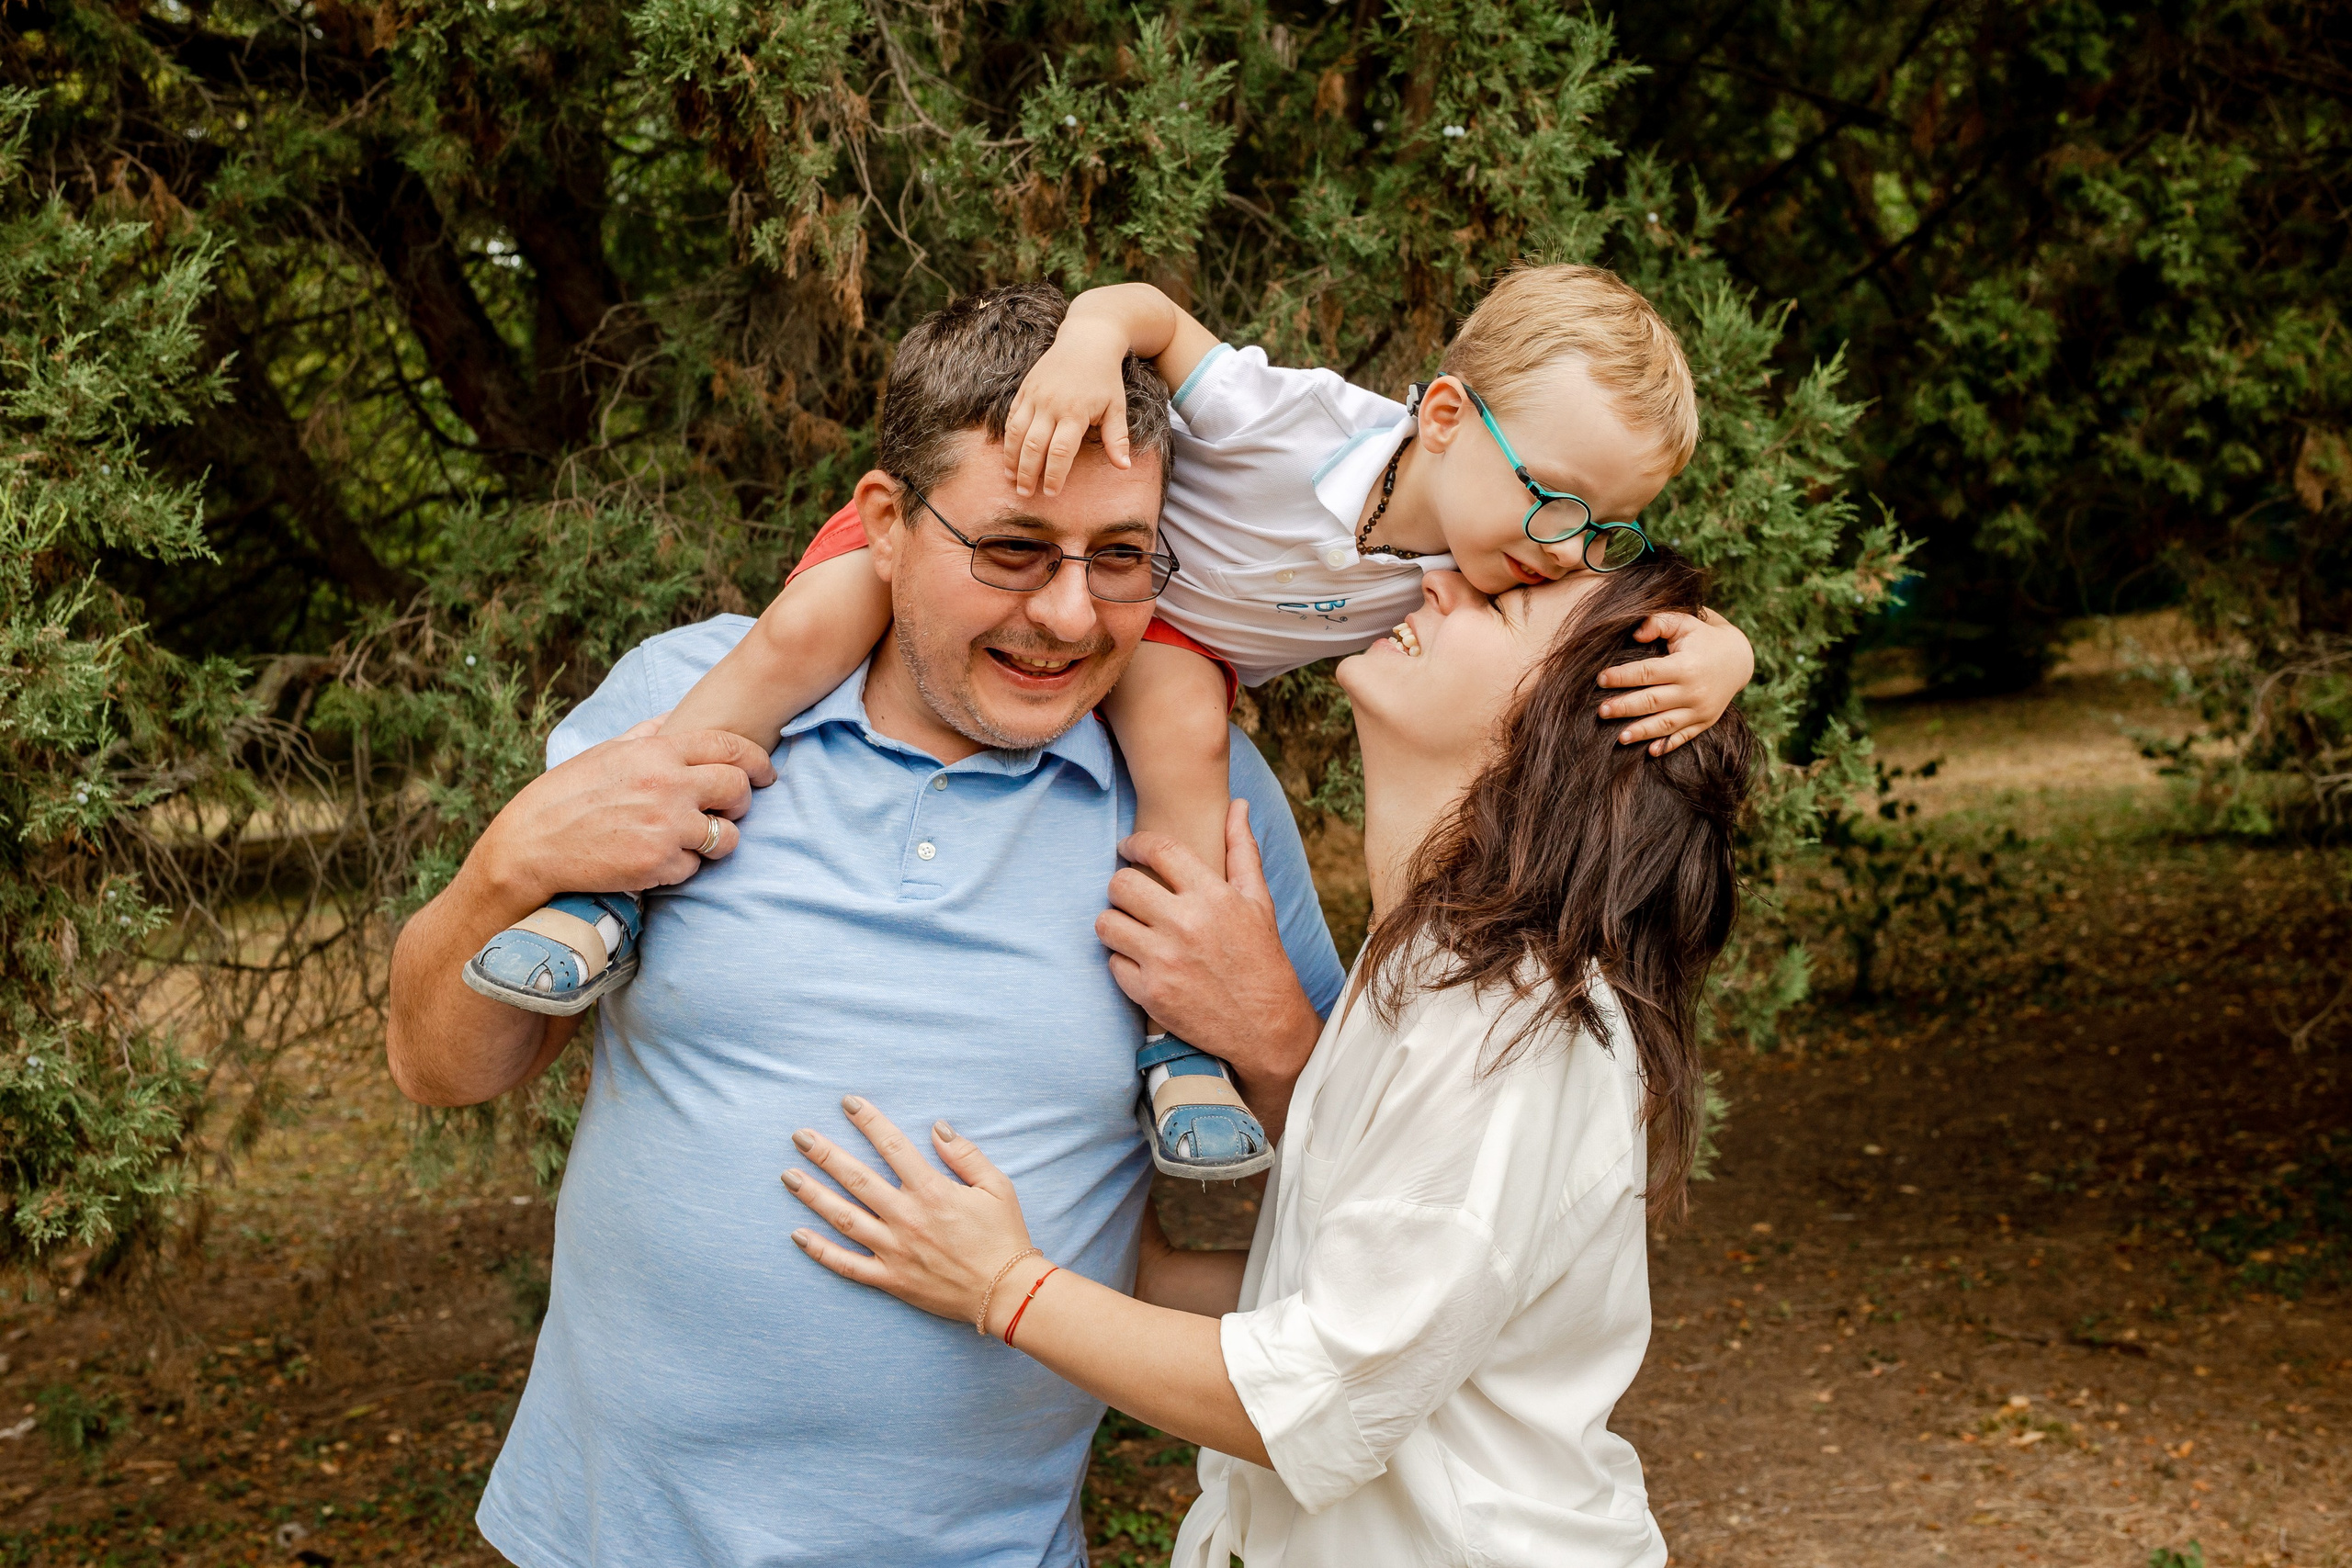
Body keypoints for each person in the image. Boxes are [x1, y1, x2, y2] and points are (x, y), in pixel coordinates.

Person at [384, 287, 1353, 1568]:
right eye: (1014, 547)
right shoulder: (689, 701)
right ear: (886, 524)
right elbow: (438, 1065)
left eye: (1120, 555)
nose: (1069, 612)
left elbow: (1340, 1198)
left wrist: (1276, 1040)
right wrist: (506, 863)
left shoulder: (1202, 799)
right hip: (600, 1537)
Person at [464, 266, 1756, 1187]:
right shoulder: (1297, 423)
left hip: (1157, 636)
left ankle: (1180, 1050)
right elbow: (1145, 309)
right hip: (1075, 560)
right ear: (1446, 417)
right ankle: (605, 890)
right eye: (1556, 504)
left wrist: (1726, 650)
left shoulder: (1487, 572)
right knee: (805, 632)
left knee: (1186, 737)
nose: (1566, 549)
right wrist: (1090, 347)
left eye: (1603, 524)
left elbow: (1622, 618)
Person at [780, 548, 1755, 1568]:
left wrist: (1004, 1286)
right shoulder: (1429, 963)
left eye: (1499, 604)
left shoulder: (1515, 1030)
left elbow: (1317, 1398)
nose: (1437, 581)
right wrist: (1127, 1254)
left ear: (1557, 726)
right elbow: (1352, 1295)